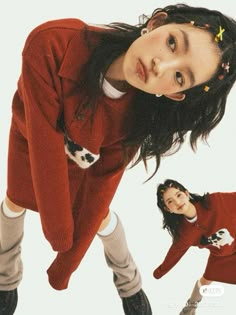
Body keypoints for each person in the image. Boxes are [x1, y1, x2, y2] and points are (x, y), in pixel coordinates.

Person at [1, 3, 236, 314]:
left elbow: (103, 185)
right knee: (15, 203)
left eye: (179, 77)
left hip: (87, 160)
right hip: (31, 141)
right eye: (172, 42)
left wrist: (65, 266)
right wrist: (60, 234)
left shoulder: (136, 118)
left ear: (173, 94)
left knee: (98, 216)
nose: (159, 66)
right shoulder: (53, 41)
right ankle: (5, 280)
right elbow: (43, 139)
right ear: (156, 23)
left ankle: (130, 284)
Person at [155, 179, 236, 314]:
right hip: (221, 256)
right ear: (167, 209)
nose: (177, 202)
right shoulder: (184, 233)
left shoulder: (214, 202)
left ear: (186, 194)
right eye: (170, 202)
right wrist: (159, 272)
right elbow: (175, 252)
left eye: (178, 195)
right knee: (206, 280)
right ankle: (190, 309)